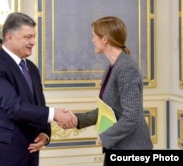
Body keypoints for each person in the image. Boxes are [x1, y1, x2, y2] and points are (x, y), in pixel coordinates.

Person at [0, 12, 76, 166]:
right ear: (9, 37)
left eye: (33, 37)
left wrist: (44, 132)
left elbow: (38, 105)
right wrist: (55, 114)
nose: (33, 42)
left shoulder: (31, 68)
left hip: (29, 154)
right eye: (28, 37)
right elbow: (15, 107)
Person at [60, 16, 153, 164]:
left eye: (94, 36)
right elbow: (107, 110)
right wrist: (77, 119)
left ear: (104, 39)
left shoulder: (126, 68)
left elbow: (131, 117)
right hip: (118, 147)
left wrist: (105, 137)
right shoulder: (113, 67)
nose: (92, 40)